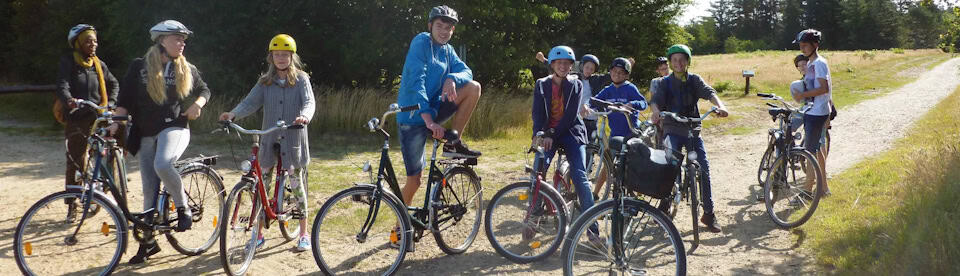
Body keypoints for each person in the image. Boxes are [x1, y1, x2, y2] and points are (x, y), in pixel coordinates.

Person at [111, 20, 211, 264]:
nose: (182, 43)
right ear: (161, 41)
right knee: (149, 194)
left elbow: (204, 90)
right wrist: (115, 124)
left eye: (183, 39)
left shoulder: (186, 68)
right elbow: (123, 100)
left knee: (164, 164)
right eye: (177, 38)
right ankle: (148, 245)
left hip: (175, 128)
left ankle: (182, 207)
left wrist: (198, 104)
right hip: (145, 133)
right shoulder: (139, 67)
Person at [393, 5, 482, 244]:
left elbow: (467, 71)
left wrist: (452, 78)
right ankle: (400, 226)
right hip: (413, 117)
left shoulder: (448, 51)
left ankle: (453, 144)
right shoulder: (421, 42)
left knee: (473, 88)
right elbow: (416, 81)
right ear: (430, 26)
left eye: (448, 28)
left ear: (453, 31)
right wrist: (428, 119)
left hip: (433, 110)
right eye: (439, 26)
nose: (444, 31)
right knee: (415, 180)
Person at [219, 34, 315, 252]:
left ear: (292, 56)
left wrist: (304, 116)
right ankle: (259, 233)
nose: (280, 58)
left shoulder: (301, 79)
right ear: (271, 57)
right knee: (262, 184)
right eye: (276, 55)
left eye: (285, 55)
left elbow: (309, 102)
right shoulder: (265, 82)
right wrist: (233, 114)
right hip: (269, 138)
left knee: (296, 183)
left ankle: (303, 233)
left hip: (293, 139)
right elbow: (250, 103)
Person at [650, 44, 729, 233]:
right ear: (670, 62)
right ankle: (665, 203)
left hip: (692, 129)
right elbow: (655, 101)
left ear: (687, 61)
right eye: (675, 60)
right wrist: (655, 112)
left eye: (682, 59)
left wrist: (721, 106)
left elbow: (710, 93)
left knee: (704, 167)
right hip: (671, 128)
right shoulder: (664, 83)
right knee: (669, 165)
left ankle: (708, 214)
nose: (678, 63)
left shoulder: (694, 80)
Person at [55, 24, 120, 222]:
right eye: (88, 41)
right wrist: (69, 100)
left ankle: (108, 189)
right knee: (75, 160)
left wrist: (111, 103)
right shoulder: (68, 62)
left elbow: (113, 83)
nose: (93, 44)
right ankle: (72, 204)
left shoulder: (99, 64)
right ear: (78, 44)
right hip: (77, 117)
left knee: (111, 149)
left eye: (94, 40)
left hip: (99, 115)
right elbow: (62, 84)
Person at [532, 46, 596, 231]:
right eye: (559, 63)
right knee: (538, 171)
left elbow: (570, 115)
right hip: (548, 134)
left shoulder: (576, 84)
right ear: (552, 64)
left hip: (571, 132)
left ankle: (593, 229)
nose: (563, 66)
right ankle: (534, 215)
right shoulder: (541, 84)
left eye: (567, 63)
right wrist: (539, 134)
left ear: (571, 66)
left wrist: (552, 134)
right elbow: (537, 113)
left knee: (580, 176)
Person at [588, 57, 647, 199]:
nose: (617, 75)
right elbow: (595, 101)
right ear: (610, 72)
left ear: (627, 75)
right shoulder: (607, 90)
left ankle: (638, 194)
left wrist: (632, 104)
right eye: (614, 72)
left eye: (621, 73)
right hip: (615, 135)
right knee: (608, 163)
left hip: (631, 133)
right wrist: (587, 107)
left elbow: (643, 103)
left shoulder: (630, 88)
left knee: (631, 165)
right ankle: (595, 194)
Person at [792, 29, 832, 195]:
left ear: (815, 45)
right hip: (814, 110)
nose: (802, 49)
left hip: (817, 112)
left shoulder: (819, 64)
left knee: (810, 152)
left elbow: (824, 88)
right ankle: (823, 188)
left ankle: (808, 190)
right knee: (817, 149)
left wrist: (802, 95)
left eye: (805, 45)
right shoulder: (812, 63)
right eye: (801, 46)